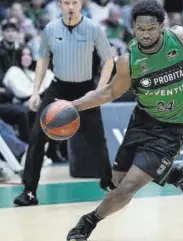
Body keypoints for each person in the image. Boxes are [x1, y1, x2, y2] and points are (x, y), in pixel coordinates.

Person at [66, 1, 183, 240]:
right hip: (143, 119)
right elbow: (109, 92)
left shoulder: (177, 38)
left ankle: (87, 223)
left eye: (151, 29)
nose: (146, 34)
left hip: (174, 128)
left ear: (162, 27)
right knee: (118, 181)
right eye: (140, 29)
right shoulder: (129, 60)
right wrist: (72, 105)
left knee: (128, 188)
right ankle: (177, 175)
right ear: (133, 28)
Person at [13, 0, 116, 206]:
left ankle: (109, 182)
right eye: (67, 2)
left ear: (81, 4)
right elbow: (42, 60)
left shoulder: (93, 28)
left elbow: (109, 60)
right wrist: (35, 92)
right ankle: (30, 192)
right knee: (37, 137)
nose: (71, 6)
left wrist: (101, 89)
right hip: (58, 89)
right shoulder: (50, 28)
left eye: (75, 2)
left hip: (85, 90)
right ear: (60, 5)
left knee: (97, 140)